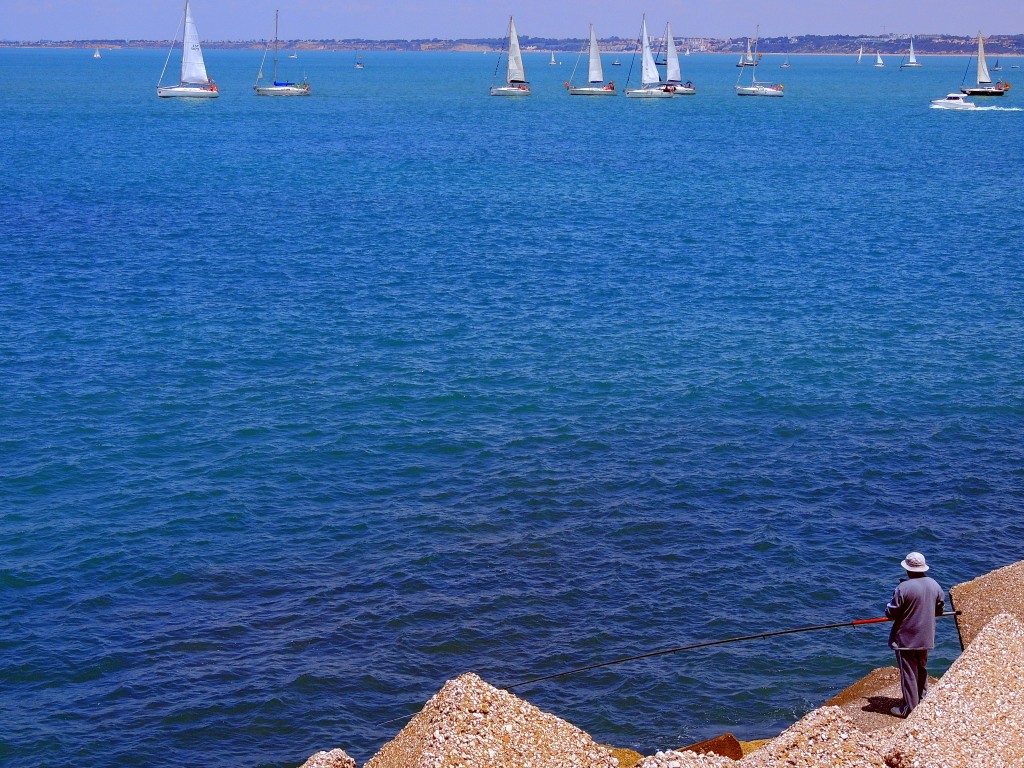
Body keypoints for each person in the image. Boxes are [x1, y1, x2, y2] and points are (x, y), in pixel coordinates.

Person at [885, 551, 945, 717]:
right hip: (926, 636)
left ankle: (909, 709)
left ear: (908, 569)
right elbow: (940, 608)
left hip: (906, 638)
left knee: (909, 673)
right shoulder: (935, 585)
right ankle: (922, 701)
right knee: (921, 668)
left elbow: (891, 613)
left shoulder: (903, 588)